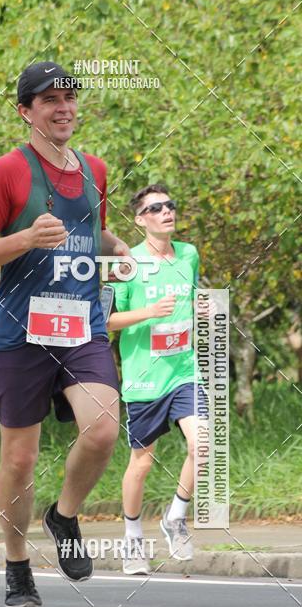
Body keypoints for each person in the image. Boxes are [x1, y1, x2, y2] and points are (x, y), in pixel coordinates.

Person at [0, 61, 131, 607]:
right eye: (50, 99)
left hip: (80, 323)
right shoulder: (7, 172)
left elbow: (92, 230)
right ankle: (16, 567)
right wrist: (26, 240)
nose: (64, 107)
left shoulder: (95, 169)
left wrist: (118, 249)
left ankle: (62, 516)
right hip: (20, 330)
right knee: (18, 460)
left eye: (70, 97)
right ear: (25, 111)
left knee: (104, 428)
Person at [108, 183, 206, 574]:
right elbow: (107, 320)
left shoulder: (189, 254)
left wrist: (200, 307)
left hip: (184, 370)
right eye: (156, 208)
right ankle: (133, 538)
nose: (167, 212)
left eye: (170, 205)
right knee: (142, 464)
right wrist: (149, 312)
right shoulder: (128, 263)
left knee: (204, 446)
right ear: (140, 219)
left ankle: (174, 517)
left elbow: (196, 295)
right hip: (144, 378)